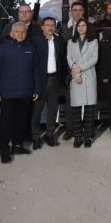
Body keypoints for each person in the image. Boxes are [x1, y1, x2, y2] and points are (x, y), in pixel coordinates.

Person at [0, 22, 42, 163]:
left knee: (21, 121)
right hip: (7, 93)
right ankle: (4, 149)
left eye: (23, 32)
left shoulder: (30, 48)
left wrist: (37, 89)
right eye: (17, 31)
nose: (20, 34)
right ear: (11, 33)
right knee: (7, 122)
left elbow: (35, 70)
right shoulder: (2, 49)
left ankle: (17, 145)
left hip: (26, 92)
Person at [29, 16, 67, 149]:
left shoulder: (59, 41)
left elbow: (62, 61)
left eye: (52, 25)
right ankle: (35, 137)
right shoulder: (35, 41)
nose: (50, 27)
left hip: (55, 79)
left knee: (52, 109)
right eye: (47, 25)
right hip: (40, 81)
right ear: (42, 27)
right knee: (37, 111)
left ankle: (50, 135)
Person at [66, 19, 99, 148]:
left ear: (87, 27)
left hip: (89, 76)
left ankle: (88, 136)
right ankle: (78, 137)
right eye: (78, 26)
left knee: (90, 109)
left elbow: (95, 58)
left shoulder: (94, 41)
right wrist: (76, 70)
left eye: (83, 25)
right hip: (75, 76)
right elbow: (69, 57)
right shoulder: (71, 42)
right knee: (76, 109)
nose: (80, 27)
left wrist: (81, 68)